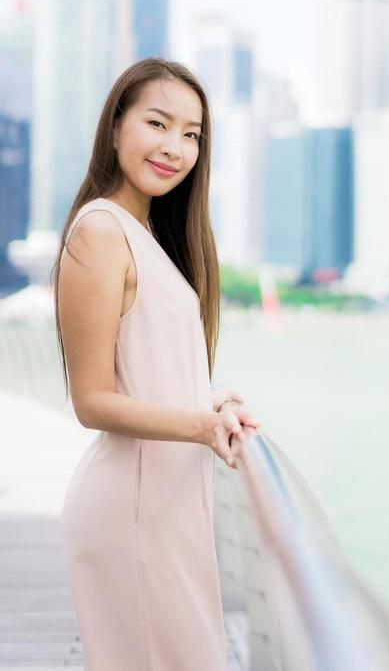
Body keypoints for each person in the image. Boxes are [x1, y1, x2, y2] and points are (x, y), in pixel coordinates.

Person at [52, 56, 262, 669]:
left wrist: (209, 397)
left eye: (192, 134)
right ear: (115, 126)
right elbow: (92, 401)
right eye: (158, 123)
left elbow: (147, 360)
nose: (176, 147)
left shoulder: (150, 239)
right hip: (133, 513)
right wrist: (201, 426)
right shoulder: (99, 231)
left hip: (169, 509)